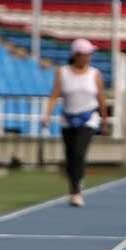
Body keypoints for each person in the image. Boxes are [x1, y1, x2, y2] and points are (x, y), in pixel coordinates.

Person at [41, 38, 108, 207]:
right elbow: (55, 95)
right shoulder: (62, 72)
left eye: (90, 55)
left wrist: (104, 120)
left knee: (79, 152)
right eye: (86, 54)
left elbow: (101, 97)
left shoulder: (95, 74)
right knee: (70, 157)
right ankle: (75, 185)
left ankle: (76, 192)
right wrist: (47, 115)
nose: (89, 58)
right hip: (68, 119)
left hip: (88, 118)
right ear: (77, 55)